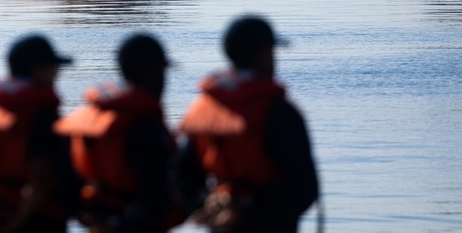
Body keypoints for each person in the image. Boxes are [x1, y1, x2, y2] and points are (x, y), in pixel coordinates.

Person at [173, 15, 319, 233]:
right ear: (262, 54)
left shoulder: (205, 108)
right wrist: (245, 211)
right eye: (271, 52)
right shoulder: (279, 112)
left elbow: (179, 175)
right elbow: (305, 191)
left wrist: (206, 204)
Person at [54, 33, 179, 233]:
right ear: (154, 71)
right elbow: (156, 198)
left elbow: (64, 185)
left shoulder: (84, 121)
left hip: (94, 220)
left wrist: (86, 218)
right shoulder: (146, 127)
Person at [0, 34, 74, 233]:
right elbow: (40, 180)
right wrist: (18, 220)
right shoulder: (43, 114)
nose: (56, 73)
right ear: (38, 69)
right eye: (53, 66)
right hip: (42, 221)